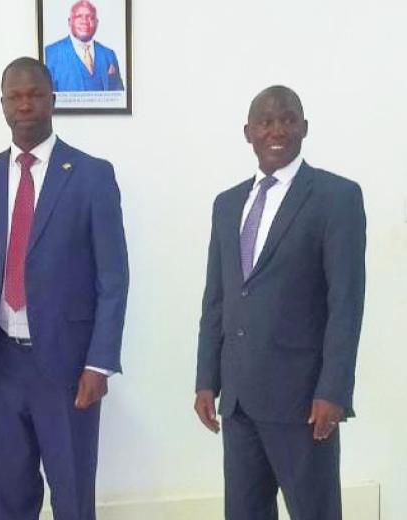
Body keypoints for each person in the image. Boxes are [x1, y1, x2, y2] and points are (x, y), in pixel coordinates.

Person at [0, 57, 128, 520]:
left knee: (71, 497)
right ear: (3, 106)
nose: (25, 104)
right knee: (7, 501)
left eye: (34, 94)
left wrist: (100, 362)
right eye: (15, 96)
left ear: (53, 99)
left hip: (68, 370)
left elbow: (113, 277)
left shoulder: (91, 176)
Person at [194, 86, 366, 520]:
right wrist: (205, 379)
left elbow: (345, 303)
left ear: (304, 128)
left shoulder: (336, 198)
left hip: (304, 402)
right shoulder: (227, 204)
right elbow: (216, 298)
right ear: (248, 132)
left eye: (288, 119)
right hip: (238, 402)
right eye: (266, 122)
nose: (277, 129)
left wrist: (334, 391)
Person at [44, 0, 124, 92]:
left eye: (90, 17)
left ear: (97, 23)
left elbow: (119, 96)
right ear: (70, 22)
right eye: (79, 16)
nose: (85, 21)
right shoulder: (50, 54)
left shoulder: (108, 55)